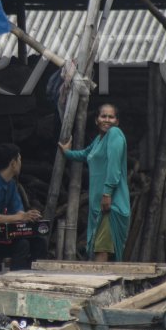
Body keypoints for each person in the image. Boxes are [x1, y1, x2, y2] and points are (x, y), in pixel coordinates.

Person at [59, 103, 130, 262]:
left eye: (111, 117)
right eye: (103, 116)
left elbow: (114, 167)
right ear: (96, 120)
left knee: (101, 249)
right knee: (102, 249)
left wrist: (107, 193)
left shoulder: (115, 134)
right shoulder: (99, 140)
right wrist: (67, 152)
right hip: (99, 205)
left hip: (111, 205)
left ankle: (98, 284)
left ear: (117, 121)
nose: (107, 120)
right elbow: (85, 154)